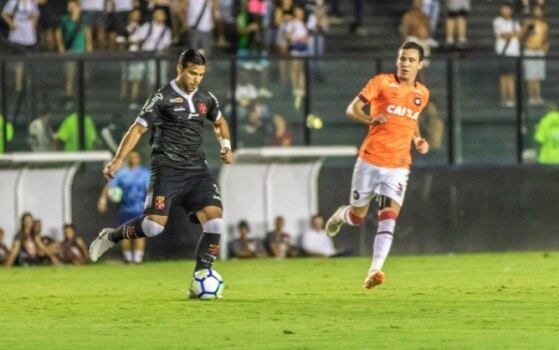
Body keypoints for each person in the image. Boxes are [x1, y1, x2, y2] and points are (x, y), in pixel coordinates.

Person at [89, 50, 233, 298]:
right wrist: (117, 161)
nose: (196, 79)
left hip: (197, 170)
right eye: (192, 73)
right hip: (167, 169)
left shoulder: (205, 98)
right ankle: (111, 236)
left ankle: (200, 278)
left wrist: (226, 146)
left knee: (216, 220)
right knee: (154, 228)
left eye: (200, 74)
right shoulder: (162, 97)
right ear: (179, 69)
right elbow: (137, 130)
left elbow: (219, 123)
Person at [324, 41, 430, 289]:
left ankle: (375, 269)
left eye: (411, 60)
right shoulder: (381, 82)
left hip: (399, 166)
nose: (405, 63)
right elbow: (352, 109)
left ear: (420, 65)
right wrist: (372, 118)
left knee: (388, 217)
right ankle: (341, 215)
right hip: (370, 160)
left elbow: (412, 119)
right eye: (402, 58)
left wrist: (417, 139)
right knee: (357, 216)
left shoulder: (422, 94)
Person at [98, 151, 150, 264]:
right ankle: (127, 258)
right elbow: (110, 185)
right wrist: (103, 199)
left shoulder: (145, 173)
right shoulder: (122, 174)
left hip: (140, 208)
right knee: (124, 233)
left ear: (139, 159)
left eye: (135, 157)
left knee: (140, 233)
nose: (133, 159)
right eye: (131, 157)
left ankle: (137, 259)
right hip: (125, 208)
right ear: (127, 159)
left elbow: (151, 189)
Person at [55, 0, 93, 102]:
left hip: (82, 53)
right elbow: (58, 32)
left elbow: (88, 36)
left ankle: (81, 98)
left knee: (82, 78)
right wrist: (61, 46)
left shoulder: (84, 20)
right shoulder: (64, 19)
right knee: (69, 77)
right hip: (70, 52)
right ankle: (69, 98)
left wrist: (89, 50)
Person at [493, 3, 521, 108]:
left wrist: (512, 34)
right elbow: (503, 35)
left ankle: (511, 98)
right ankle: (504, 98)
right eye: (504, 8)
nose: (506, 11)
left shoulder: (514, 22)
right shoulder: (497, 21)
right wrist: (514, 33)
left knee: (512, 77)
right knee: (504, 77)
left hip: (513, 53)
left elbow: (520, 34)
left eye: (508, 9)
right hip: (503, 53)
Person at [522, 5, 548, 106]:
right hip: (530, 50)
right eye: (536, 10)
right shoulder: (528, 22)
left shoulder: (544, 25)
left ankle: (537, 96)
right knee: (530, 75)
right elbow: (523, 36)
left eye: (539, 11)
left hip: (539, 51)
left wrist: (545, 47)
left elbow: (545, 39)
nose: (537, 12)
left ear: (542, 12)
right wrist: (527, 29)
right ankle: (531, 97)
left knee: (538, 75)